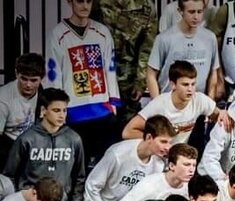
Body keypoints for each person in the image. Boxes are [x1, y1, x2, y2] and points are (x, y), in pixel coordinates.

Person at [44, 0, 120, 162]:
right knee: (77, 165)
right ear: (70, 2)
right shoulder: (57, 34)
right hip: (72, 112)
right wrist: (58, 109)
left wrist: (113, 102)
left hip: (102, 110)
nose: (85, 6)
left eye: (89, 1)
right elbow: (53, 73)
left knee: (105, 163)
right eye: (79, 1)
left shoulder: (102, 32)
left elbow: (110, 68)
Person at [4, 88, 85, 201]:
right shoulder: (26, 139)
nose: (62, 115)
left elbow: (79, 177)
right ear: (43, 111)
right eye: (56, 110)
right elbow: (9, 175)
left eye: (64, 110)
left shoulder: (74, 139)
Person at [91, 0, 158, 124]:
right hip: (99, 78)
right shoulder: (98, 3)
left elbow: (147, 49)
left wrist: (140, 82)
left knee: (127, 126)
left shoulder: (146, 6)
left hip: (129, 80)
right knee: (101, 126)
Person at [147, 0, 220, 98]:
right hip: (169, 103)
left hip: (198, 105)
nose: (196, 17)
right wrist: (157, 105)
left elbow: (213, 73)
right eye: (191, 12)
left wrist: (210, 104)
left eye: (200, 11)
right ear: (180, 11)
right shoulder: (164, 39)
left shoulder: (210, 38)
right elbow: (151, 74)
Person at [0, 53, 46, 168]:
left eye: (34, 80)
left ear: (42, 78)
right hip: (7, 146)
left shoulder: (42, 93)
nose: (28, 85)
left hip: (33, 145)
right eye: (24, 79)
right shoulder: (3, 98)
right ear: (16, 74)